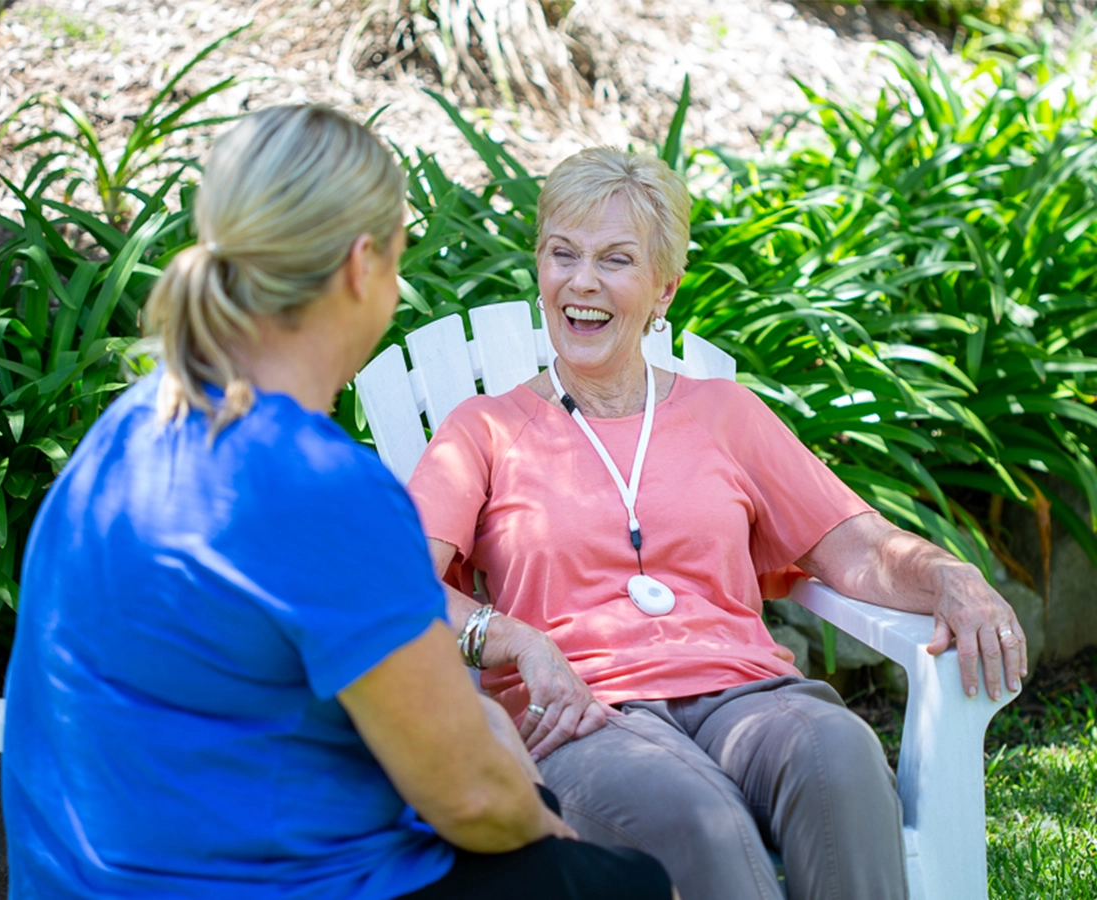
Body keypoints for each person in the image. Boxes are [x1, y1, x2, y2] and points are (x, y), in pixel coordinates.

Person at [1, 107, 675, 900]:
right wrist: (551, 835)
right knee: (628, 884)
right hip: (261, 886)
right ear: (362, 266)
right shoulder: (316, 485)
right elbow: (471, 799)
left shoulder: (130, 429)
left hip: (84, 880)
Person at [405, 147, 1029, 900]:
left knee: (841, 756)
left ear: (663, 289)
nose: (582, 282)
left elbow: (858, 550)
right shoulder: (485, 430)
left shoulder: (726, 414)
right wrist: (519, 640)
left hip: (748, 695)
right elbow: (395, 587)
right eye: (563, 254)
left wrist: (951, 577)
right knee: (699, 817)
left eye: (615, 260)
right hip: (586, 715)